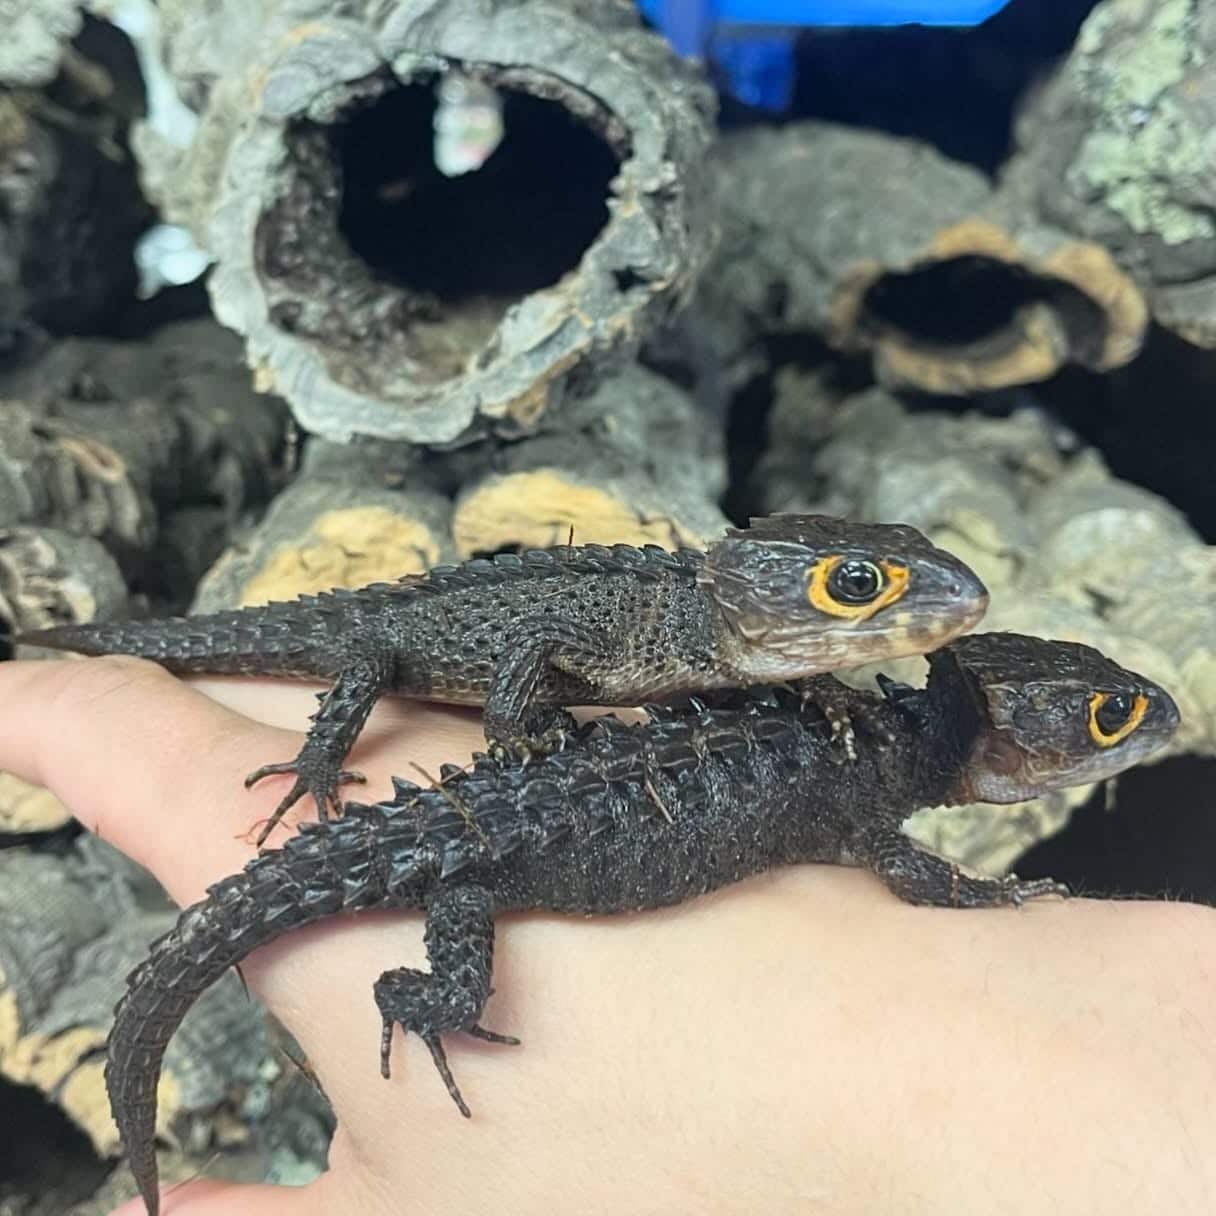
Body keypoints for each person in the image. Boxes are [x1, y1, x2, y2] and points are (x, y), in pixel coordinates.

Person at [0, 654, 1212, 1215]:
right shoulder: (875, 789)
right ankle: (411, 999)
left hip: (484, 828)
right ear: (1011, 737)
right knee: (451, 992)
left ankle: (419, 994)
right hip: (480, 855)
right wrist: (998, 902)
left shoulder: (860, 758)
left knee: (458, 932)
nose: (1120, 731)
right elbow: (907, 872)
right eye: (1102, 718)